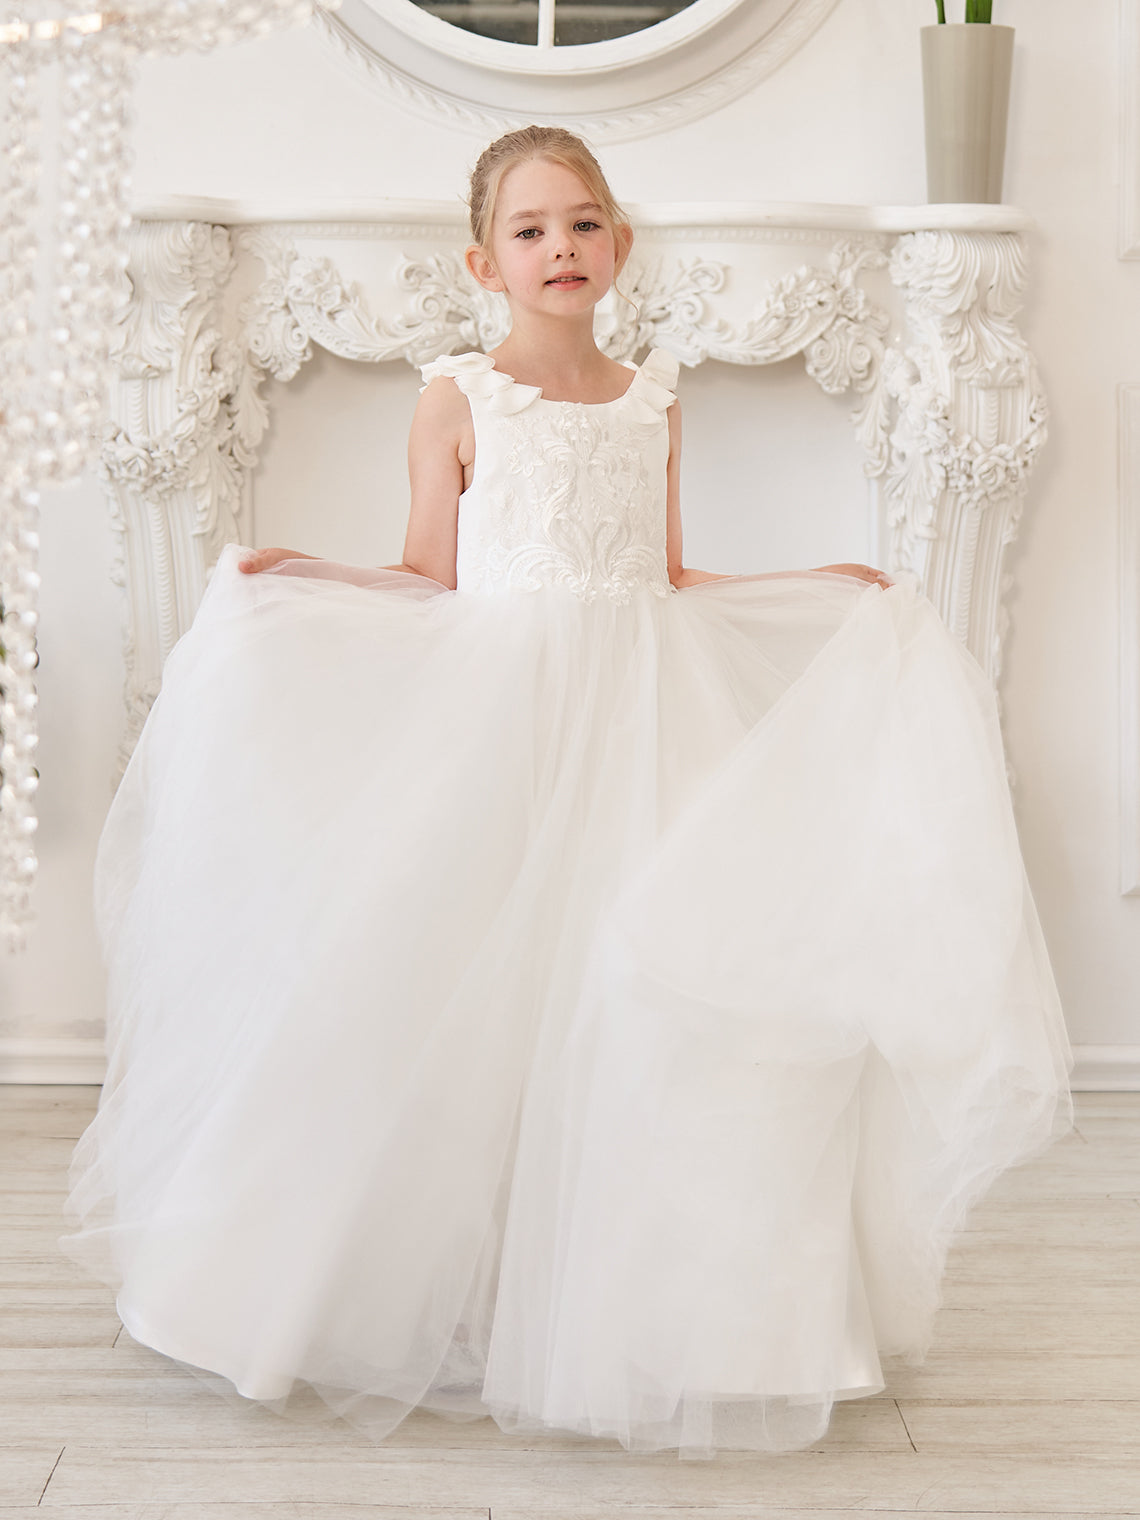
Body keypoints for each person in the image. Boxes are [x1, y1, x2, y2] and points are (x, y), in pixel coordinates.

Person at [62, 125, 1073, 1460]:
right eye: (531, 230)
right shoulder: (458, 396)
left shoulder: (654, 399)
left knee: (651, 991)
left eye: (583, 223)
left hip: (645, 711)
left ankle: (656, 1307)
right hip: (498, 717)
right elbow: (430, 572)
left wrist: (826, 591)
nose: (561, 249)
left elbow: (663, 575)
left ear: (622, 246)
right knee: (458, 987)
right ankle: (432, 1281)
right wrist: (299, 575)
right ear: (484, 261)